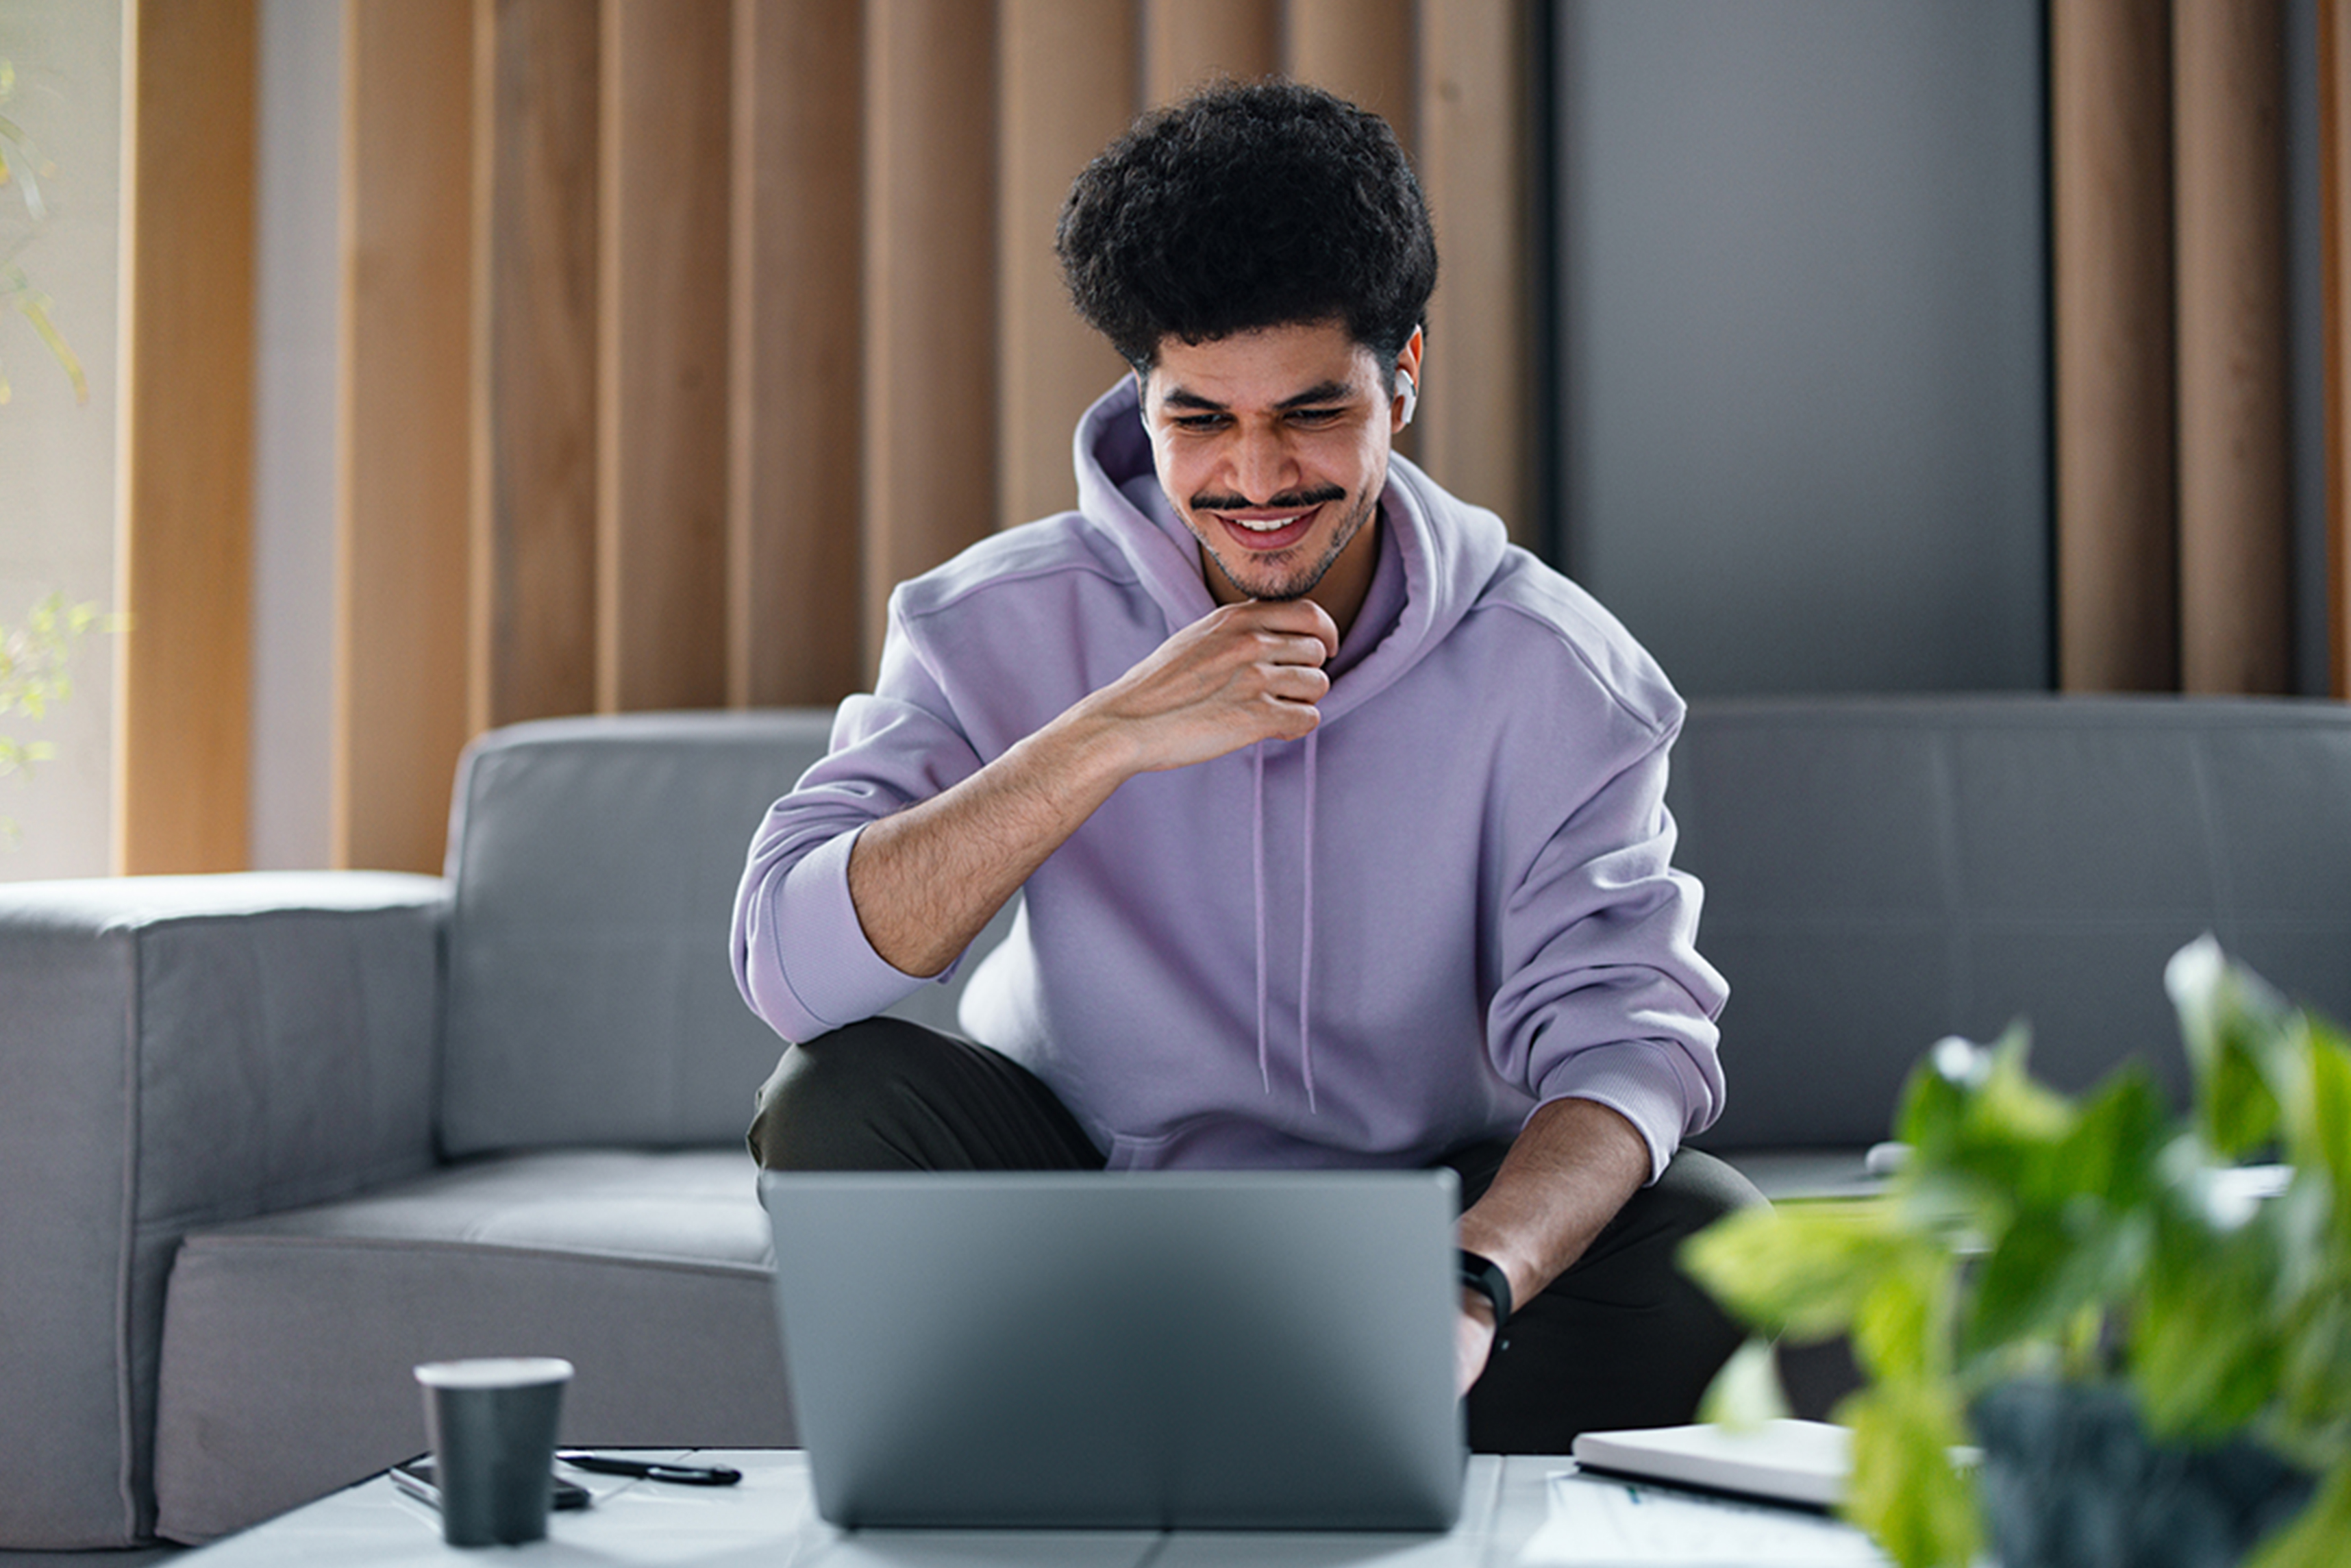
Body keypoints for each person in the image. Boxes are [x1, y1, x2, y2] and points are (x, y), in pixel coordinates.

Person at [731, 79, 1758, 1452]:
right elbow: (790, 967)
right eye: (1201, 418)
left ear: (1403, 375)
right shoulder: (986, 620)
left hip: (1418, 1224)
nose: (1257, 475)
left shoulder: (1559, 672)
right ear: (1140, 396)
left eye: (1313, 411)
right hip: (1087, 1207)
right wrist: (1109, 735)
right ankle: (1292, 1435)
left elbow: (1631, 1045)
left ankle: (1147, 1434)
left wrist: (1469, 1277)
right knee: (834, 1103)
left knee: (1705, 1239)